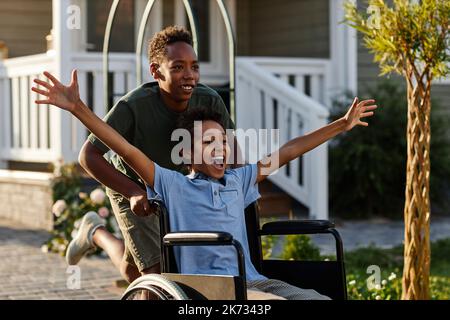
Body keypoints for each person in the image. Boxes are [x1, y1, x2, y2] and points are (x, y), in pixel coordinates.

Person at [32, 67, 377, 299]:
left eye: (223, 142)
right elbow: (124, 147)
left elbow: (288, 151)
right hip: (210, 290)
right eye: (209, 143)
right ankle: (96, 233)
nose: (220, 149)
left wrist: (340, 125)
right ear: (188, 153)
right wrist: (78, 108)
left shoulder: (240, 179)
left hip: (253, 280)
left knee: (318, 299)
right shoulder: (171, 184)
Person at [40, 26, 235, 283]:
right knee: (155, 273)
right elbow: (89, 156)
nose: (189, 75)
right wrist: (133, 192)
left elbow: (231, 150)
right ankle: (100, 232)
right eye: (177, 67)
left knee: (135, 271)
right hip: (132, 186)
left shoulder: (209, 100)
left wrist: (230, 190)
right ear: (156, 71)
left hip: (176, 188)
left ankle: (95, 232)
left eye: (194, 66)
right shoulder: (133, 106)